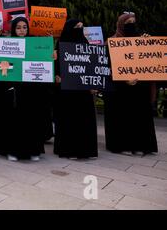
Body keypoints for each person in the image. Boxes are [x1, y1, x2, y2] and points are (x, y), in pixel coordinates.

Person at [103, 13, 158, 155]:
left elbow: (149, 61)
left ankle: (141, 145)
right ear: (121, 24)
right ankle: (123, 146)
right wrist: (124, 79)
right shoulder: (111, 42)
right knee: (123, 118)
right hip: (120, 90)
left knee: (139, 116)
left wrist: (148, 43)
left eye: (133, 21)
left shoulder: (140, 40)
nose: (131, 24)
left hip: (139, 88)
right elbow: (106, 67)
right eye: (128, 22)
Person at [0, 17, 49, 161]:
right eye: (18, 27)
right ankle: (13, 151)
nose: (22, 30)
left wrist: (50, 56)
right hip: (14, 89)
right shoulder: (6, 43)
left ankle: (33, 150)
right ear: (13, 29)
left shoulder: (34, 43)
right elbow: (1, 67)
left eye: (24, 27)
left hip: (31, 89)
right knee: (15, 121)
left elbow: (43, 64)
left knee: (32, 119)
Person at [53, 19, 98, 159]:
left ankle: (86, 150)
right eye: (76, 26)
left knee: (84, 120)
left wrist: (94, 84)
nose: (79, 28)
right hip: (67, 91)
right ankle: (69, 150)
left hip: (83, 91)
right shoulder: (60, 45)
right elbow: (55, 65)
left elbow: (92, 66)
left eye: (81, 26)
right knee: (68, 120)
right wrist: (56, 75)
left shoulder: (86, 44)